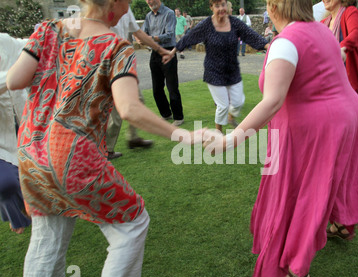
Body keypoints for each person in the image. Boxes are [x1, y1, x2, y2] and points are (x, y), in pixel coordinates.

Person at [6, 0, 205, 277]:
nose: (128, 7)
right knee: (133, 222)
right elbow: (129, 109)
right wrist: (183, 136)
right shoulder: (115, 46)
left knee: (47, 237)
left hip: (31, 153)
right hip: (72, 156)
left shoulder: (48, 30)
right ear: (114, 3)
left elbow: (14, 80)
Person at [203, 0, 358, 277]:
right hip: (347, 117)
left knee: (302, 194)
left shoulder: (287, 42)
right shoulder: (321, 30)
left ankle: (297, 273)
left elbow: (272, 101)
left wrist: (230, 139)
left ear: (273, 7)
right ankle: (336, 224)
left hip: (320, 128)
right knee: (328, 181)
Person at [166, 0, 269, 133]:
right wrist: (172, 52)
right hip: (214, 71)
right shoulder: (207, 25)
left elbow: (251, 35)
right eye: (217, 6)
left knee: (238, 103)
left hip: (232, 71)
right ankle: (218, 132)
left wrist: (268, 46)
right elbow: (189, 37)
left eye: (223, 5)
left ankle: (231, 118)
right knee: (223, 105)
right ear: (211, 7)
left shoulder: (235, 23)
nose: (221, 8)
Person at [107, 6, 167, 160]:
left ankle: (132, 138)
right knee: (117, 111)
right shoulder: (103, 7)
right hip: (107, 63)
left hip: (121, 63)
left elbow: (138, 33)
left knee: (137, 101)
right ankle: (106, 149)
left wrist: (159, 50)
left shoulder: (126, 8)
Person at [0, 33, 31, 234]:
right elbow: (11, 79)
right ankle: (15, 213)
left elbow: (30, 44)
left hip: (21, 120)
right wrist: (21, 69)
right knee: (6, 182)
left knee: (32, 170)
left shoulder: (4, 41)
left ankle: (23, 210)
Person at [142, 0, 185, 126]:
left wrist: (151, 38)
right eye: (147, 0)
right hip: (154, 53)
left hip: (168, 51)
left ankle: (178, 117)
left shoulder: (169, 13)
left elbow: (169, 34)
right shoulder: (148, 16)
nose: (149, 1)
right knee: (156, 88)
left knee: (172, 87)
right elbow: (143, 32)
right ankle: (166, 113)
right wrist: (141, 39)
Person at [321, 0, 358, 106]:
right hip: (327, 81)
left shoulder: (350, 12)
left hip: (346, 82)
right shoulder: (323, 23)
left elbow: (355, 35)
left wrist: (340, 49)